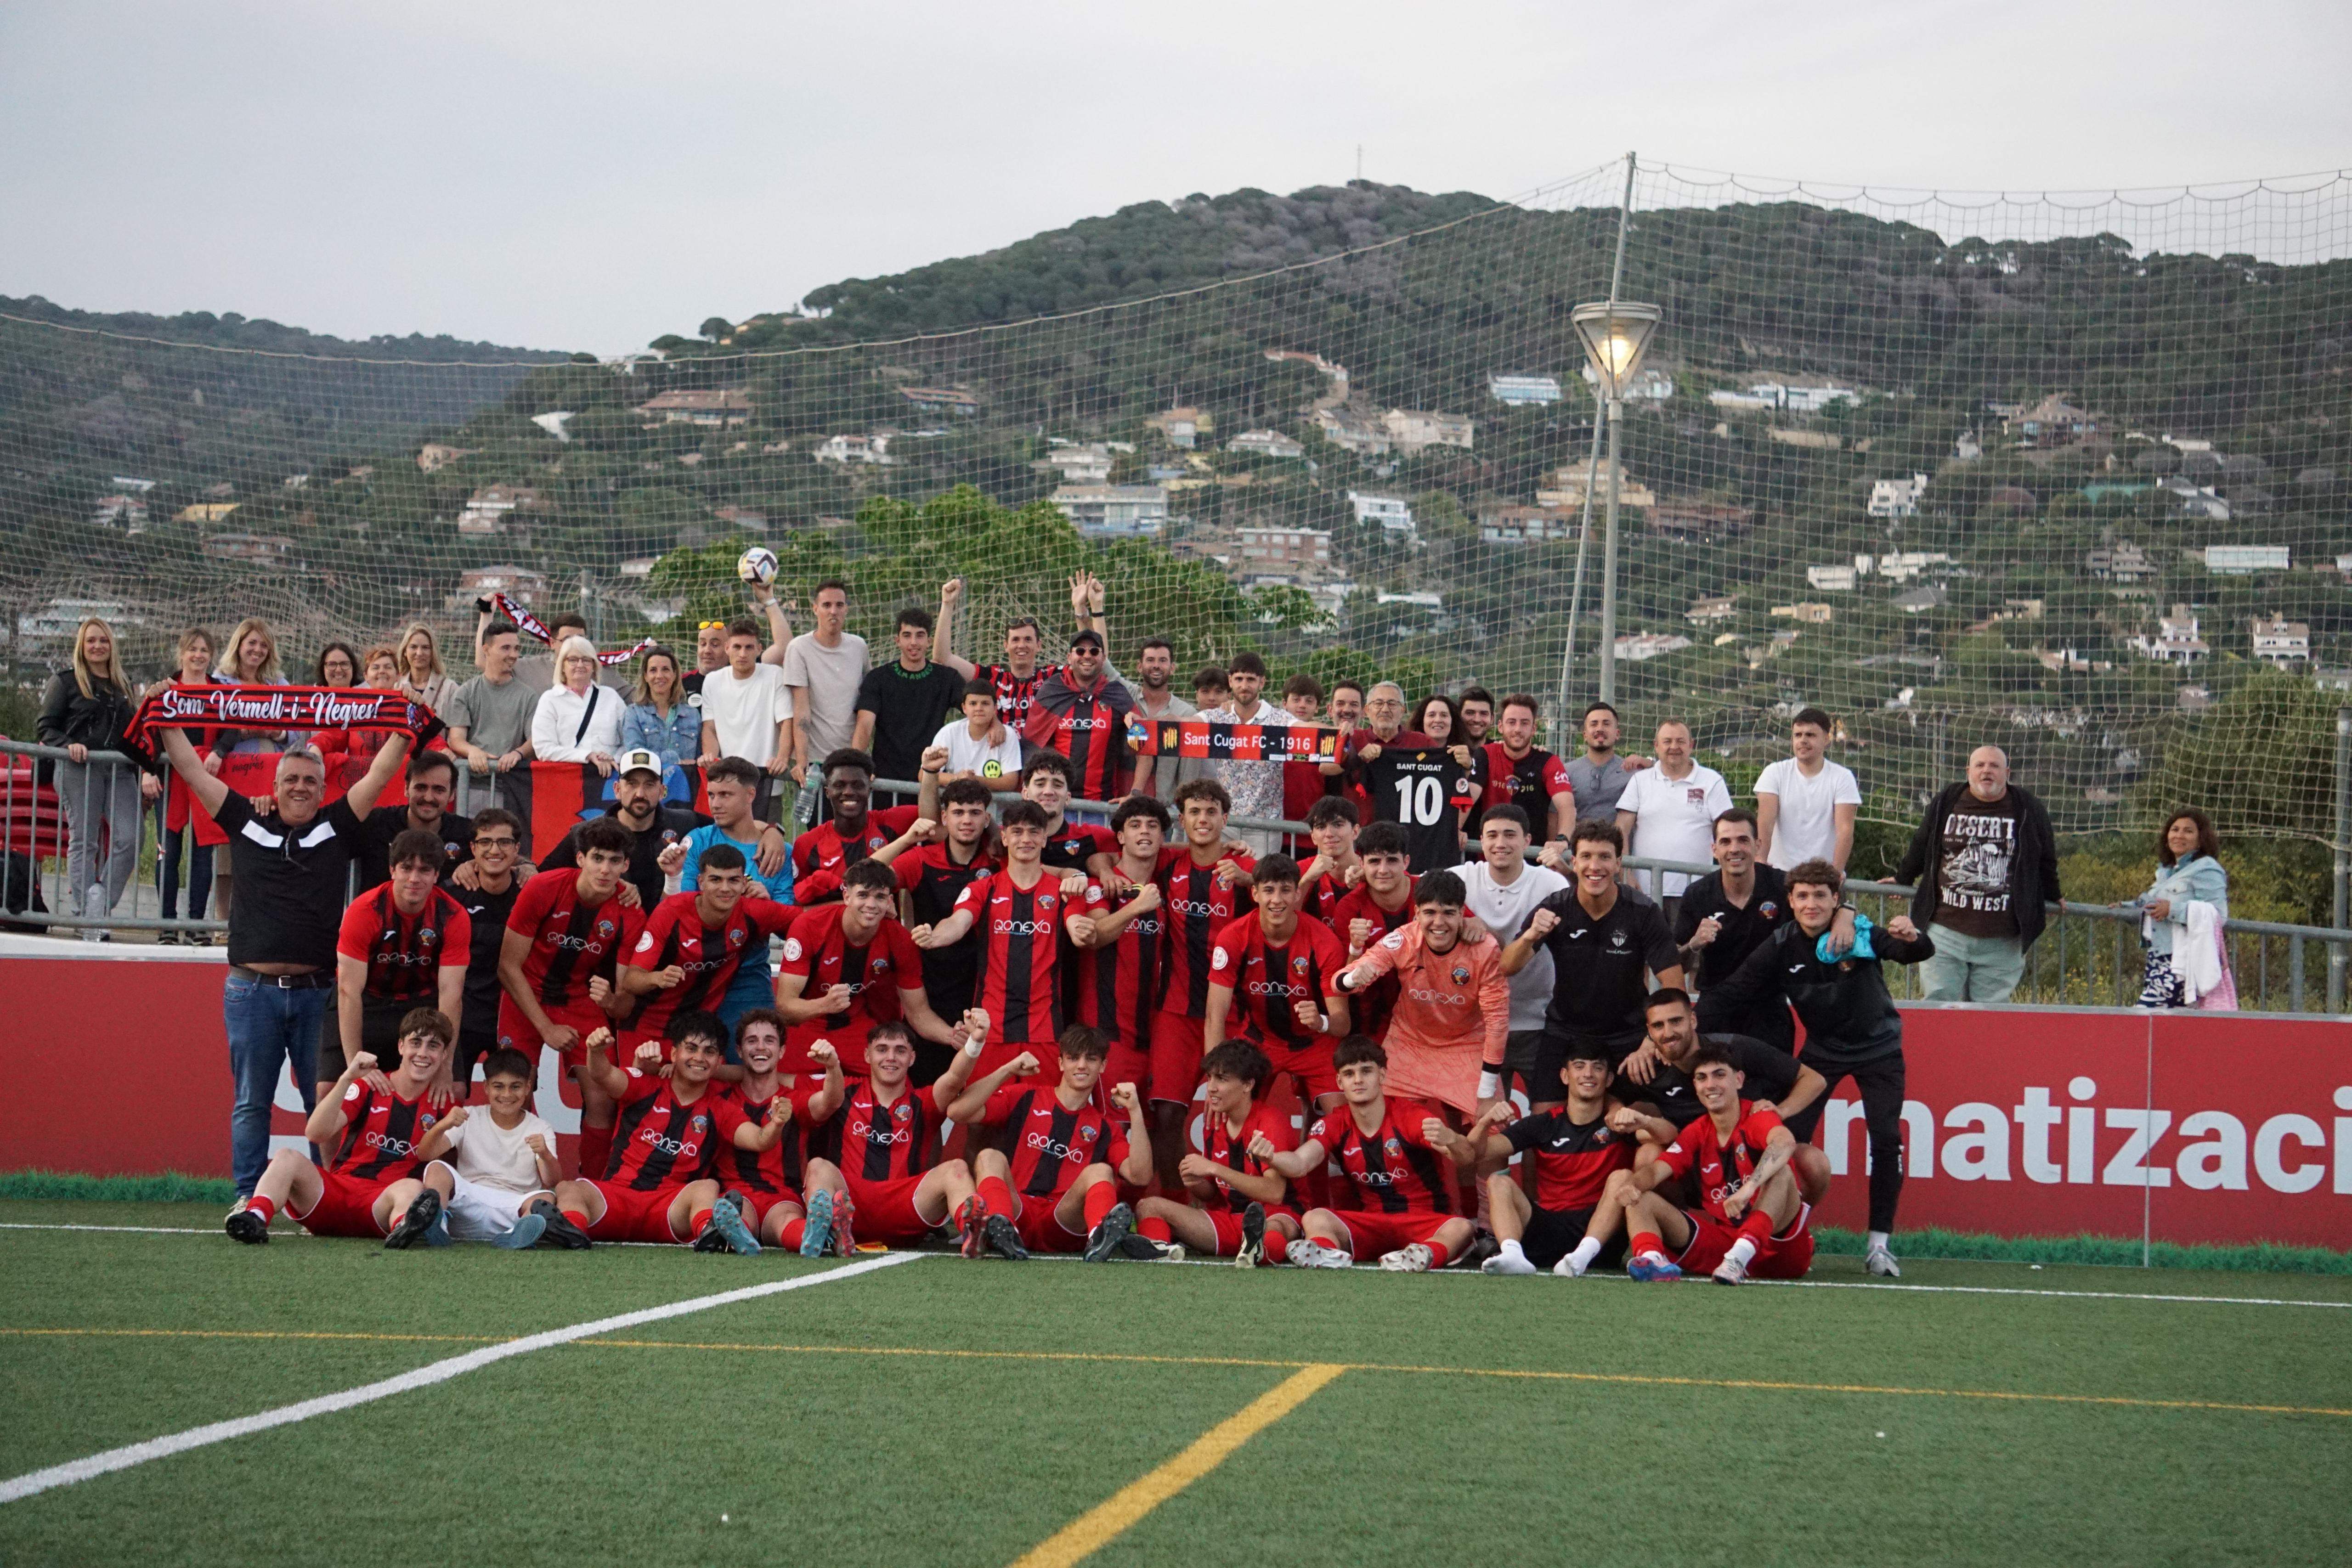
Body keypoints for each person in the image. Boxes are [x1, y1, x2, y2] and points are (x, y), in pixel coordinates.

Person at [157, 721, 411, 1198]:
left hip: (318, 993)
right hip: (251, 991)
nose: (299, 787)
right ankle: (250, 1196)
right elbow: (191, 769)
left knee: (323, 1099)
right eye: (291, 780)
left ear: (321, 790)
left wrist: (404, 727)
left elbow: (378, 776)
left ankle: (329, 1195)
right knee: (252, 1103)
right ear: (273, 788)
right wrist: (165, 719)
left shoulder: (335, 826)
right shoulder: (245, 820)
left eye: (309, 781)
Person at [1699, 859, 1932, 1277]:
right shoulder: (1781, 943)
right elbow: (1733, 991)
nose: (1811, 904)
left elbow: (1911, 952)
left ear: (1835, 899)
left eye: (1820, 896)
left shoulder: (1856, 931)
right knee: (1787, 1140)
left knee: (1885, 1139)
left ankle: (1879, 1245)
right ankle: (1786, 1228)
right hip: (1822, 1052)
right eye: (1802, 896)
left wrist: (1915, 938)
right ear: (1790, 901)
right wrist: (1688, 1027)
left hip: (1880, 1049)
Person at [224, 1007, 455, 1245]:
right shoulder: (369, 1087)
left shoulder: (444, 1104)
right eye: (415, 1043)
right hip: (335, 1195)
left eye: (433, 1046)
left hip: (382, 1205)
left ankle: (405, 1230)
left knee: (412, 1188)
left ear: (445, 1054)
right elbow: (315, 1133)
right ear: (401, 1047)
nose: (423, 1053)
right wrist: (347, 1079)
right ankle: (255, 1217)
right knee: (287, 1157)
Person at [497, 815, 639, 1179]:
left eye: (614, 861)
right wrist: (546, 1029)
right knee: (514, 1093)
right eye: (597, 858)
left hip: (578, 998)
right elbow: (508, 967)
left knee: (603, 1098)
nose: (605, 870)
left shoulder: (630, 911)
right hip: (524, 993)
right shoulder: (544, 887)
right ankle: (518, 1182)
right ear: (580, 859)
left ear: (626, 865)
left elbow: (626, 998)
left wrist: (610, 1002)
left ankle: (591, 1188)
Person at [1259, 1035, 1476, 1272]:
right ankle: (1326, 1254)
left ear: (1382, 1075)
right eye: (1350, 1074)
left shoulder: (1411, 1116)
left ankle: (1423, 1255)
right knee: (1315, 1218)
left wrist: (1453, 1140)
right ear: (1339, 1082)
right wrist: (1271, 1158)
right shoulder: (1335, 1123)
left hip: (1423, 1221)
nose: (1359, 1080)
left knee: (1461, 1228)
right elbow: (1301, 1163)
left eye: (1367, 1071)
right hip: (1370, 1224)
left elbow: (1466, 1158)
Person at [1502, 821, 1683, 1103]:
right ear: (1573, 862)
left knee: (1638, 1121)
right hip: (1566, 1032)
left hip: (1628, 1036)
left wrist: (1651, 1042)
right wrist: (1530, 936)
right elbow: (1507, 966)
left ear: (1619, 863)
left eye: (1604, 857)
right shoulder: (1555, 907)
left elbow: (1674, 987)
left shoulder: (1643, 912)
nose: (1594, 866)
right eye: (1586, 856)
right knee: (1543, 1123)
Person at [1607, 1045, 1817, 1286]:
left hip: (1780, 1252)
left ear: (1739, 1080)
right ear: (1695, 1087)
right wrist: (1633, 1185)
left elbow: (1784, 1142)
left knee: (1783, 1172)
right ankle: (1653, 1261)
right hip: (1724, 1247)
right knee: (1640, 1196)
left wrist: (1748, 1190)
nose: (1710, 1085)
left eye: (1720, 1075)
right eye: (1702, 1078)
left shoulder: (1757, 1115)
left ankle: (1740, 1258)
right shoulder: (1696, 1131)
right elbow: (1657, 1171)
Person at [946, 1024, 1154, 1261]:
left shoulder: (1105, 1128)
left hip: (1063, 1221)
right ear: (1061, 1063)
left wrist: (1135, 1111)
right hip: (1018, 1211)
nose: (1082, 1066)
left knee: (1101, 1171)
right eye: (1074, 1058)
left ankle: (1099, 1237)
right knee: (989, 1157)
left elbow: (1140, 1176)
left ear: (1103, 1066)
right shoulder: (1025, 1097)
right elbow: (958, 1112)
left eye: (1092, 1059)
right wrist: (1007, 1070)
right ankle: (1002, 1230)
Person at [548, 1022, 761, 1253]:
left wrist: (777, 1123)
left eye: (709, 1052)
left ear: (719, 1062)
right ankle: (571, 1231)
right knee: (570, 1188)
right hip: (617, 1199)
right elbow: (603, 1074)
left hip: (668, 1209)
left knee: (707, 1187)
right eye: (691, 1049)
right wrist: (596, 1051)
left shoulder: (721, 1108)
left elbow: (759, 1140)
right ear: (674, 1054)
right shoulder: (644, 1084)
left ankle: (711, 1235)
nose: (699, 1058)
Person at [914, 799, 1085, 1077]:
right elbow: (959, 922)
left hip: (1044, 1029)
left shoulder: (1064, 891)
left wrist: (1081, 930)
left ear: (1044, 838)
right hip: (989, 1027)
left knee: (1036, 1116)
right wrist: (935, 936)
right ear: (1004, 837)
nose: (1025, 839)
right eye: (1017, 832)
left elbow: (1077, 925)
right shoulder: (984, 888)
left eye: (1033, 832)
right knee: (980, 1116)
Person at [1611, 988, 1830, 1203]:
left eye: (1676, 1021)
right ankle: (1682, 1234)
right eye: (1659, 1026)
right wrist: (1621, 1115)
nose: (1668, 1033)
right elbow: (1611, 1101)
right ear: (1649, 1032)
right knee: (1647, 1155)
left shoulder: (1735, 1048)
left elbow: (1813, 1080)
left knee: (1815, 1163)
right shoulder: (1645, 1068)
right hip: (1691, 1165)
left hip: (1749, 1157)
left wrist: (1781, 1111)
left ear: (1693, 1020)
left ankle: (1792, 1228)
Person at [1143, 779, 1256, 1191]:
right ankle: (1178, 1203)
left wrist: (1251, 877)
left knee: (1237, 1115)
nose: (1203, 820)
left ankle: (1240, 1206)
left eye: (1211, 812)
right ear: (1182, 820)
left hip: (1234, 1016)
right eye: (1195, 812)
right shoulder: (1169, 867)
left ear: (1226, 819)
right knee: (1168, 1116)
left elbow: (1285, 892)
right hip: (1176, 1011)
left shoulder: (1244, 873)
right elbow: (1112, 858)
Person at [1437, 1044, 1631, 1277]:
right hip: (1548, 1230)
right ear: (1565, 1076)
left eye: (1597, 1068)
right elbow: (1476, 1154)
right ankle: (1512, 1255)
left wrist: (1639, 1118)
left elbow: (1662, 1135)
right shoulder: (1544, 1123)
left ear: (1609, 1079)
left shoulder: (1621, 1122)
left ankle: (1584, 1253)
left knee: (1624, 1178)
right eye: (1579, 1067)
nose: (1588, 1074)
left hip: (1601, 1238)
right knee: (1499, 1183)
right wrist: (1484, 1123)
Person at [775, 857, 972, 1077]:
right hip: (807, 1025)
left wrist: (951, 1036)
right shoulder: (810, 926)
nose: (871, 904)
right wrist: (824, 1005)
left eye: (879, 897)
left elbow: (918, 1013)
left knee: (893, 1086)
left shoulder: (900, 939)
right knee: (781, 1089)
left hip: (855, 1027)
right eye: (863, 895)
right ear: (846, 896)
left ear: (890, 901)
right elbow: (785, 1006)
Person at [1334, 869, 1506, 1119]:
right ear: (1417, 914)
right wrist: (1354, 977)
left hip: (1466, 1044)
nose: (1439, 923)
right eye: (1429, 913)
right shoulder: (1403, 940)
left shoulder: (1485, 950)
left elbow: (1498, 1023)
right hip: (1409, 1042)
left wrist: (1487, 1092)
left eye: (1448, 913)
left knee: (1490, 1125)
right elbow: (1337, 984)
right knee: (1380, 1121)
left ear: (1463, 914)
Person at [1896, 745, 2059, 1004]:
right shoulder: (1948, 800)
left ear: (2007, 772)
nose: (1987, 771)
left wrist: (2054, 895)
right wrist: (1901, 879)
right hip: (1945, 933)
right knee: (1939, 1005)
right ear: (1968, 771)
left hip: (2003, 939)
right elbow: (1922, 842)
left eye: (1994, 766)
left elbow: (2046, 857)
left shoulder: (2028, 807)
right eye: (1980, 765)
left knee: (1991, 1019)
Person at [327, 826, 469, 1104]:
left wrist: (446, 1066)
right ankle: (339, 1150)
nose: (414, 879)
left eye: (425, 870)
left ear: (437, 875)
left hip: (422, 1005)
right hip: (367, 1001)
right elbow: (348, 992)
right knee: (332, 1089)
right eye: (406, 868)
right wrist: (355, 1067)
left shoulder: (453, 915)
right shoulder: (365, 910)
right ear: (392, 870)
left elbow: (452, 995)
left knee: (455, 1091)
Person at [617, 843, 799, 1058]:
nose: (725, 888)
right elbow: (631, 981)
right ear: (701, 882)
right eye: (716, 879)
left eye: (733, 880)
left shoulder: (754, 911)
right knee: (638, 1091)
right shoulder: (671, 912)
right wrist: (658, 978)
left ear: (744, 884)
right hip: (648, 1026)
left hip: (698, 1036)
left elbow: (812, 922)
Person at [1131, 1040, 1300, 1266]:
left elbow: (1275, 1193)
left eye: (1221, 1079)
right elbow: (1214, 1196)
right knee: (1148, 1206)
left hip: (1276, 1214)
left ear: (1248, 1085)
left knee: (1275, 1227)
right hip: (1229, 1220)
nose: (1211, 1087)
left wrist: (1214, 1168)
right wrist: (1197, 1183)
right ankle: (1163, 1250)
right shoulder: (1215, 1123)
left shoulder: (1270, 1121)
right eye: (1210, 1077)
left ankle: (1260, 1250)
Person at [1204, 853, 1351, 1110]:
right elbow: (1215, 1016)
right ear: (1255, 894)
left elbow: (1343, 1024)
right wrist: (1215, 1083)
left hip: (1316, 1043)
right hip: (1259, 1040)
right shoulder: (1233, 937)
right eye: (1269, 890)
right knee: (1225, 1110)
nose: (1277, 900)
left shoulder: (1324, 941)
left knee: (1341, 1124)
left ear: (1297, 894)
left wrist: (1321, 1021)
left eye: (1285, 890)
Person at [835, 1017, 991, 1253]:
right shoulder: (841, 1091)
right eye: (882, 1050)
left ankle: (974, 1232)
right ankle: (827, 1233)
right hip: (853, 1207)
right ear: (867, 1056)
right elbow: (785, 1082)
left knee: (956, 1168)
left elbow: (954, 1079)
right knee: (818, 1168)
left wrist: (976, 1042)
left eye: (900, 1051)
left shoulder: (924, 1101)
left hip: (908, 1206)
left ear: (912, 1058)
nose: (891, 1058)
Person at [544, 747, 764, 912]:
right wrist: (602, 880)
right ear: (617, 789)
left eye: (649, 785)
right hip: (606, 942)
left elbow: (731, 825)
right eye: (632, 784)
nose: (640, 793)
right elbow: (545, 877)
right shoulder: (586, 833)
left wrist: (772, 832)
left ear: (663, 791)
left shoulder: (684, 822)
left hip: (665, 941)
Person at [667, 756, 794, 1033]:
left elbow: (790, 927)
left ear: (751, 795)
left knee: (753, 1063)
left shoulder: (780, 851)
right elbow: (683, 908)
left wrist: (767, 907)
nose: (715, 803)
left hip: (749, 976)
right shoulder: (698, 841)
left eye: (725, 795)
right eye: (712, 795)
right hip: (697, 971)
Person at [710, 1010, 851, 1256]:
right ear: (740, 1051)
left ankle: (811, 1237)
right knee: (740, 1215)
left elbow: (830, 1101)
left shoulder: (793, 1099)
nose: (760, 1047)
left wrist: (833, 1065)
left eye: (769, 1041)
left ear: (782, 1051)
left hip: (783, 1194)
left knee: (785, 1221)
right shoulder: (722, 1098)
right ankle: (742, 1233)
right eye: (752, 1041)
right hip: (738, 1193)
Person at [1456, 805, 1569, 1103]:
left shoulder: (1551, 882)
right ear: (1481, 839)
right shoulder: (1462, 879)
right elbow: (1412, 887)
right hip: (1479, 1025)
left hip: (1538, 1023)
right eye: (1492, 835)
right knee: (1486, 1125)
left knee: (1547, 1123)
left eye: (1510, 835)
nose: (1500, 843)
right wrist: (1462, 916)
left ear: (1527, 839)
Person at [891, 777, 1001, 1074]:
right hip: (930, 986)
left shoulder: (999, 861)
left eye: (975, 813)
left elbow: (1038, 871)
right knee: (926, 1093)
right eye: (958, 812)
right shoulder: (921, 859)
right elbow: (866, 876)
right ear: (944, 818)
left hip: (983, 989)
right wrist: (905, 841)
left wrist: (1071, 872)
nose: (967, 820)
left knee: (980, 1104)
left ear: (987, 818)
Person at [38, 616, 140, 933]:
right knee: (85, 841)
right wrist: (69, 745)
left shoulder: (123, 684)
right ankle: (86, 917)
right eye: (91, 640)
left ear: (112, 646)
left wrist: (147, 769)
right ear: (82, 646)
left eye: (104, 640)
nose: (98, 646)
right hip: (78, 768)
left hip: (119, 768)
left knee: (131, 837)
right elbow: (45, 727)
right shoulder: (65, 681)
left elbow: (135, 732)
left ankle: (97, 907)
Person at [1672, 809, 1804, 1053]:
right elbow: (1676, 964)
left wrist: (1846, 911)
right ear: (1714, 850)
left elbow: (1827, 894)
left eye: (1743, 840)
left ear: (1758, 845)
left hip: (1769, 1006)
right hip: (1716, 1005)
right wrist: (1694, 944)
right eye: (1725, 842)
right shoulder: (1698, 895)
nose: (1734, 849)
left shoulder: (1783, 885)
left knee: (1774, 1088)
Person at [1064, 796, 1167, 1106]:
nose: (1144, 832)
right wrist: (1137, 907)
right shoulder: (1100, 886)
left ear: (1163, 837)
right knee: (1113, 1129)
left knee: (1153, 1128)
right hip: (1107, 1032)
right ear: (1121, 837)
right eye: (1135, 826)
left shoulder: (1165, 884)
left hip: (1155, 1033)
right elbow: (1095, 936)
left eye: (1153, 826)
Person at [410, 1046, 562, 1247]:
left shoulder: (541, 1128)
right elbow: (425, 1155)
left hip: (514, 1208)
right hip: (466, 1207)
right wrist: (444, 1124)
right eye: (499, 1087)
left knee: (546, 1198)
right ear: (486, 1088)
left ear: (528, 1087)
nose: (507, 1095)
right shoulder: (469, 1116)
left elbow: (552, 1181)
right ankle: (439, 1223)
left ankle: (516, 1235)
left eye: (515, 1087)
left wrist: (545, 1154)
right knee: (436, 1168)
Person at [854, 597, 969, 807]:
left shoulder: (947, 678)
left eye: (920, 636)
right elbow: (865, 725)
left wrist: (995, 726)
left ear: (929, 641)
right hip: (885, 781)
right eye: (907, 636)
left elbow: (975, 709)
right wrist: (858, 766)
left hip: (929, 778)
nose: (914, 643)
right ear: (897, 640)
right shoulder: (878, 678)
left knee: (927, 838)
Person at [445, 808, 527, 1087]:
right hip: (461, 1015)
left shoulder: (532, 895)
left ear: (517, 849)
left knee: (515, 1098)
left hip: (511, 1014)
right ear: (472, 848)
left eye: (504, 842)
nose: (495, 850)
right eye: (485, 842)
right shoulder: (451, 895)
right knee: (450, 1095)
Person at [1614, 718, 1732, 912]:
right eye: (1667, 741)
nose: (1674, 747)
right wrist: (1626, 874)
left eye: (1681, 741)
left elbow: (1728, 831)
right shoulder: (1640, 781)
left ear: (1691, 745)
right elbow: (1621, 830)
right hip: (1645, 891)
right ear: (1656, 746)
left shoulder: (1712, 781)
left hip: (1696, 893)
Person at [148, 626, 219, 941]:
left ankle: (196, 924)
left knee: (203, 853)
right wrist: (147, 771)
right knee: (169, 851)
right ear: (182, 654)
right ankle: (166, 923)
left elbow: (231, 728)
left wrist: (220, 751)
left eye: (204, 650)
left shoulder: (219, 692)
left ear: (211, 656)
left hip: (206, 780)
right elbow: (148, 731)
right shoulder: (165, 690)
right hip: (170, 780)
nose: (198, 655)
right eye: (193, 649)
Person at [2125, 807, 2231, 1008]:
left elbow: (2217, 914)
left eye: (2188, 831)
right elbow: (2154, 904)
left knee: (2144, 1019)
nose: (2179, 835)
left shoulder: (2207, 868)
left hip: (2181, 962)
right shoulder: (2166, 872)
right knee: (2167, 1027)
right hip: (2158, 958)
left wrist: (2172, 910)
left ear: (2201, 840)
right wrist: (2123, 909)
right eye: (2175, 830)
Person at [445, 621, 540, 846]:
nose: (514, 655)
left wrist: (518, 753)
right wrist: (473, 752)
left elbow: (535, 740)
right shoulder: (466, 692)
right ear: (486, 649)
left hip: (510, 789)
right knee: (470, 847)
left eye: (517, 649)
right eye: (506, 648)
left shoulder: (529, 696)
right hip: (471, 787)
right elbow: (456, 739)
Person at [789, 748, 922, 902]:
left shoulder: (892, 822)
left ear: (869, 790)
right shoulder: (807, 844)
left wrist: (929, 771)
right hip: (829, 925)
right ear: (827, 792)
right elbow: (797, 905)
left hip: (884, 925)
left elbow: (938, 816)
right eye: (839, 785)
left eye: (857, 785)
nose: (848, 792)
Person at [696, 616, 796, 823]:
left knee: (767, 847)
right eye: (737, 647)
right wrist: (710, 757)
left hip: (768, 785)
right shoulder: (713, 681)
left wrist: (783, 758)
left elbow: (787, 721)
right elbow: (710, 728)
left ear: (759, 649)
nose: (742, 654)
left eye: (749, 647)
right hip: (728, 787)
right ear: (727, 648)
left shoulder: (774, 675)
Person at [783, 579, 871, 813]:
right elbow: (801, 708)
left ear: (846, 609)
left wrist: (857, 758)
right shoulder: (799, 648)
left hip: (851, 760)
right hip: (817, 763)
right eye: (827, 605)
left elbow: (866, 704)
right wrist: (802, 760)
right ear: (815, 608)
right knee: (819, 833)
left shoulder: (859, 647)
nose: (833, 611)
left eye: (839, 605)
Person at [1024, 627, 1136, 810]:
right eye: (1080, 651)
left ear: (1103, 659)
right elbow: (1033, 744)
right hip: (1055, 804)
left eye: (1094, 651)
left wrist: (1136, 792)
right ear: (1069, 658)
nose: (1087, 656)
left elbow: (1144, 743)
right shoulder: (1053, 690)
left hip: (1103, 806)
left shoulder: (1117, 694)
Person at [1327, 821, 1418, 1039]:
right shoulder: (1349, 907)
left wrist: (1471, 923)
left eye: (1392, 861)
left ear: (1406, 862)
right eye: (1375, 861)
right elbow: (1343, 983)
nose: (1383, 870)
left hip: (1425, 1013)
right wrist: (1355, 948)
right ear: (1362, 863)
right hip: (1371, 1019)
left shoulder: (1428, 893)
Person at [1755, 707, 1860, 872]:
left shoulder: (1843, 777)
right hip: (1779, 872)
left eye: (1810, 735)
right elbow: (1765, 821)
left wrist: (1836, 872)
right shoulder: (1774, 772)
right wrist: (1760, 861)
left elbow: (1845, 831)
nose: (1803, 740)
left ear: (1826, 739)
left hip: (1822, 876)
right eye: (1798, 735)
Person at [355, 748, 472, 891]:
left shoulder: (468, 833)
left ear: (452, 794)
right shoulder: (377, 823)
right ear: (406, 788)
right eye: (421, 788)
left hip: (443, 913)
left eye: (439, 790)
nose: (429, 798)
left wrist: (476, 865)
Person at [1473, 694, 1574, 843]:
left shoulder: (1549, 761)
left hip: (1531, 860)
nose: (1518, 729)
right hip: (1488, 856)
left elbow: (1567, 806)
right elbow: (1468, 796)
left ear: (1534, 729)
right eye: (1512, 722)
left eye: (1525, 723)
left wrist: (1562, 839)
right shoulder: (1485, 755)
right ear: (1501, 727)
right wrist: (1455, 829)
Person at [531, 635, 625, 776]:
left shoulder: (611, 697)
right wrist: (587, 756)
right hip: (567, 781)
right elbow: (543, 749)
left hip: (609, 779)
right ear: (563, 666)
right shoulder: (550, 700)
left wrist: (614, 758)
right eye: (573, 660)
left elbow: (630, 739)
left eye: (586, 660)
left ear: (594, 666)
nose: (580, 665)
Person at [1124, 635, 1199, 801]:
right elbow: (1102, 662)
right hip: (1119, 802)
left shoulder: (1186, 713)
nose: (1156, 666)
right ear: (1139, 666)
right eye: (1150, 660)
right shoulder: (1125, 697)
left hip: (1162, 810)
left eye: (1163, 660)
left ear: (1172, 668)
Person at [1561, 700, 1647, 829]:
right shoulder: (1566, 772)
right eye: (1594, 724)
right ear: (1585, 735)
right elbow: (1556, 815)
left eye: (1606, 724)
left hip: (1619, 848)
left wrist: (1650, 764)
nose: (1600, 729)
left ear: (1617, 734)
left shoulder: (1634, 773)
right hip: (1578, 847)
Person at [927, 678, 1023, 790]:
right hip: (956, 804)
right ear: (964, 708)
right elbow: (925, 774)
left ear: (995, 708)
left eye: (985, 703)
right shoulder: (949, 733)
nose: (979, 709)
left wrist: (974, 780)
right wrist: (958, 779)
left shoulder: (1008, 735)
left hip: (993, 806)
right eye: (973, 704)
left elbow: (1010, 782)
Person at [621, 645, 702, 774]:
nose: (659, 676)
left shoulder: (692, 715)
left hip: (686, 787)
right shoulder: (633, 714)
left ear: (675, 675)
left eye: (665, 670)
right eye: (653, 670)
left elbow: (700, 757)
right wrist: (676, 760)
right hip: (649, 786)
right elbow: (638, 756)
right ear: (646, 676)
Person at [1295, 795, 1363, 925]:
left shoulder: (1375, 869)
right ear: (1313, 837)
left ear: (1355, 831)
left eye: (1338, 825)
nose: (1329, 834)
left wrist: (1369, 880)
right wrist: (1307, 880)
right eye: (1321, 827)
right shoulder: (1300, 870)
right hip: (1317, 945)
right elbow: (1283, 919)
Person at [396, 622, 460, 718]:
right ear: (405, 651)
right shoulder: (397, 685)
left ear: (433, 652)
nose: (419, 653)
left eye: (425, 648)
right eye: (413, 647)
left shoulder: (450, 688)